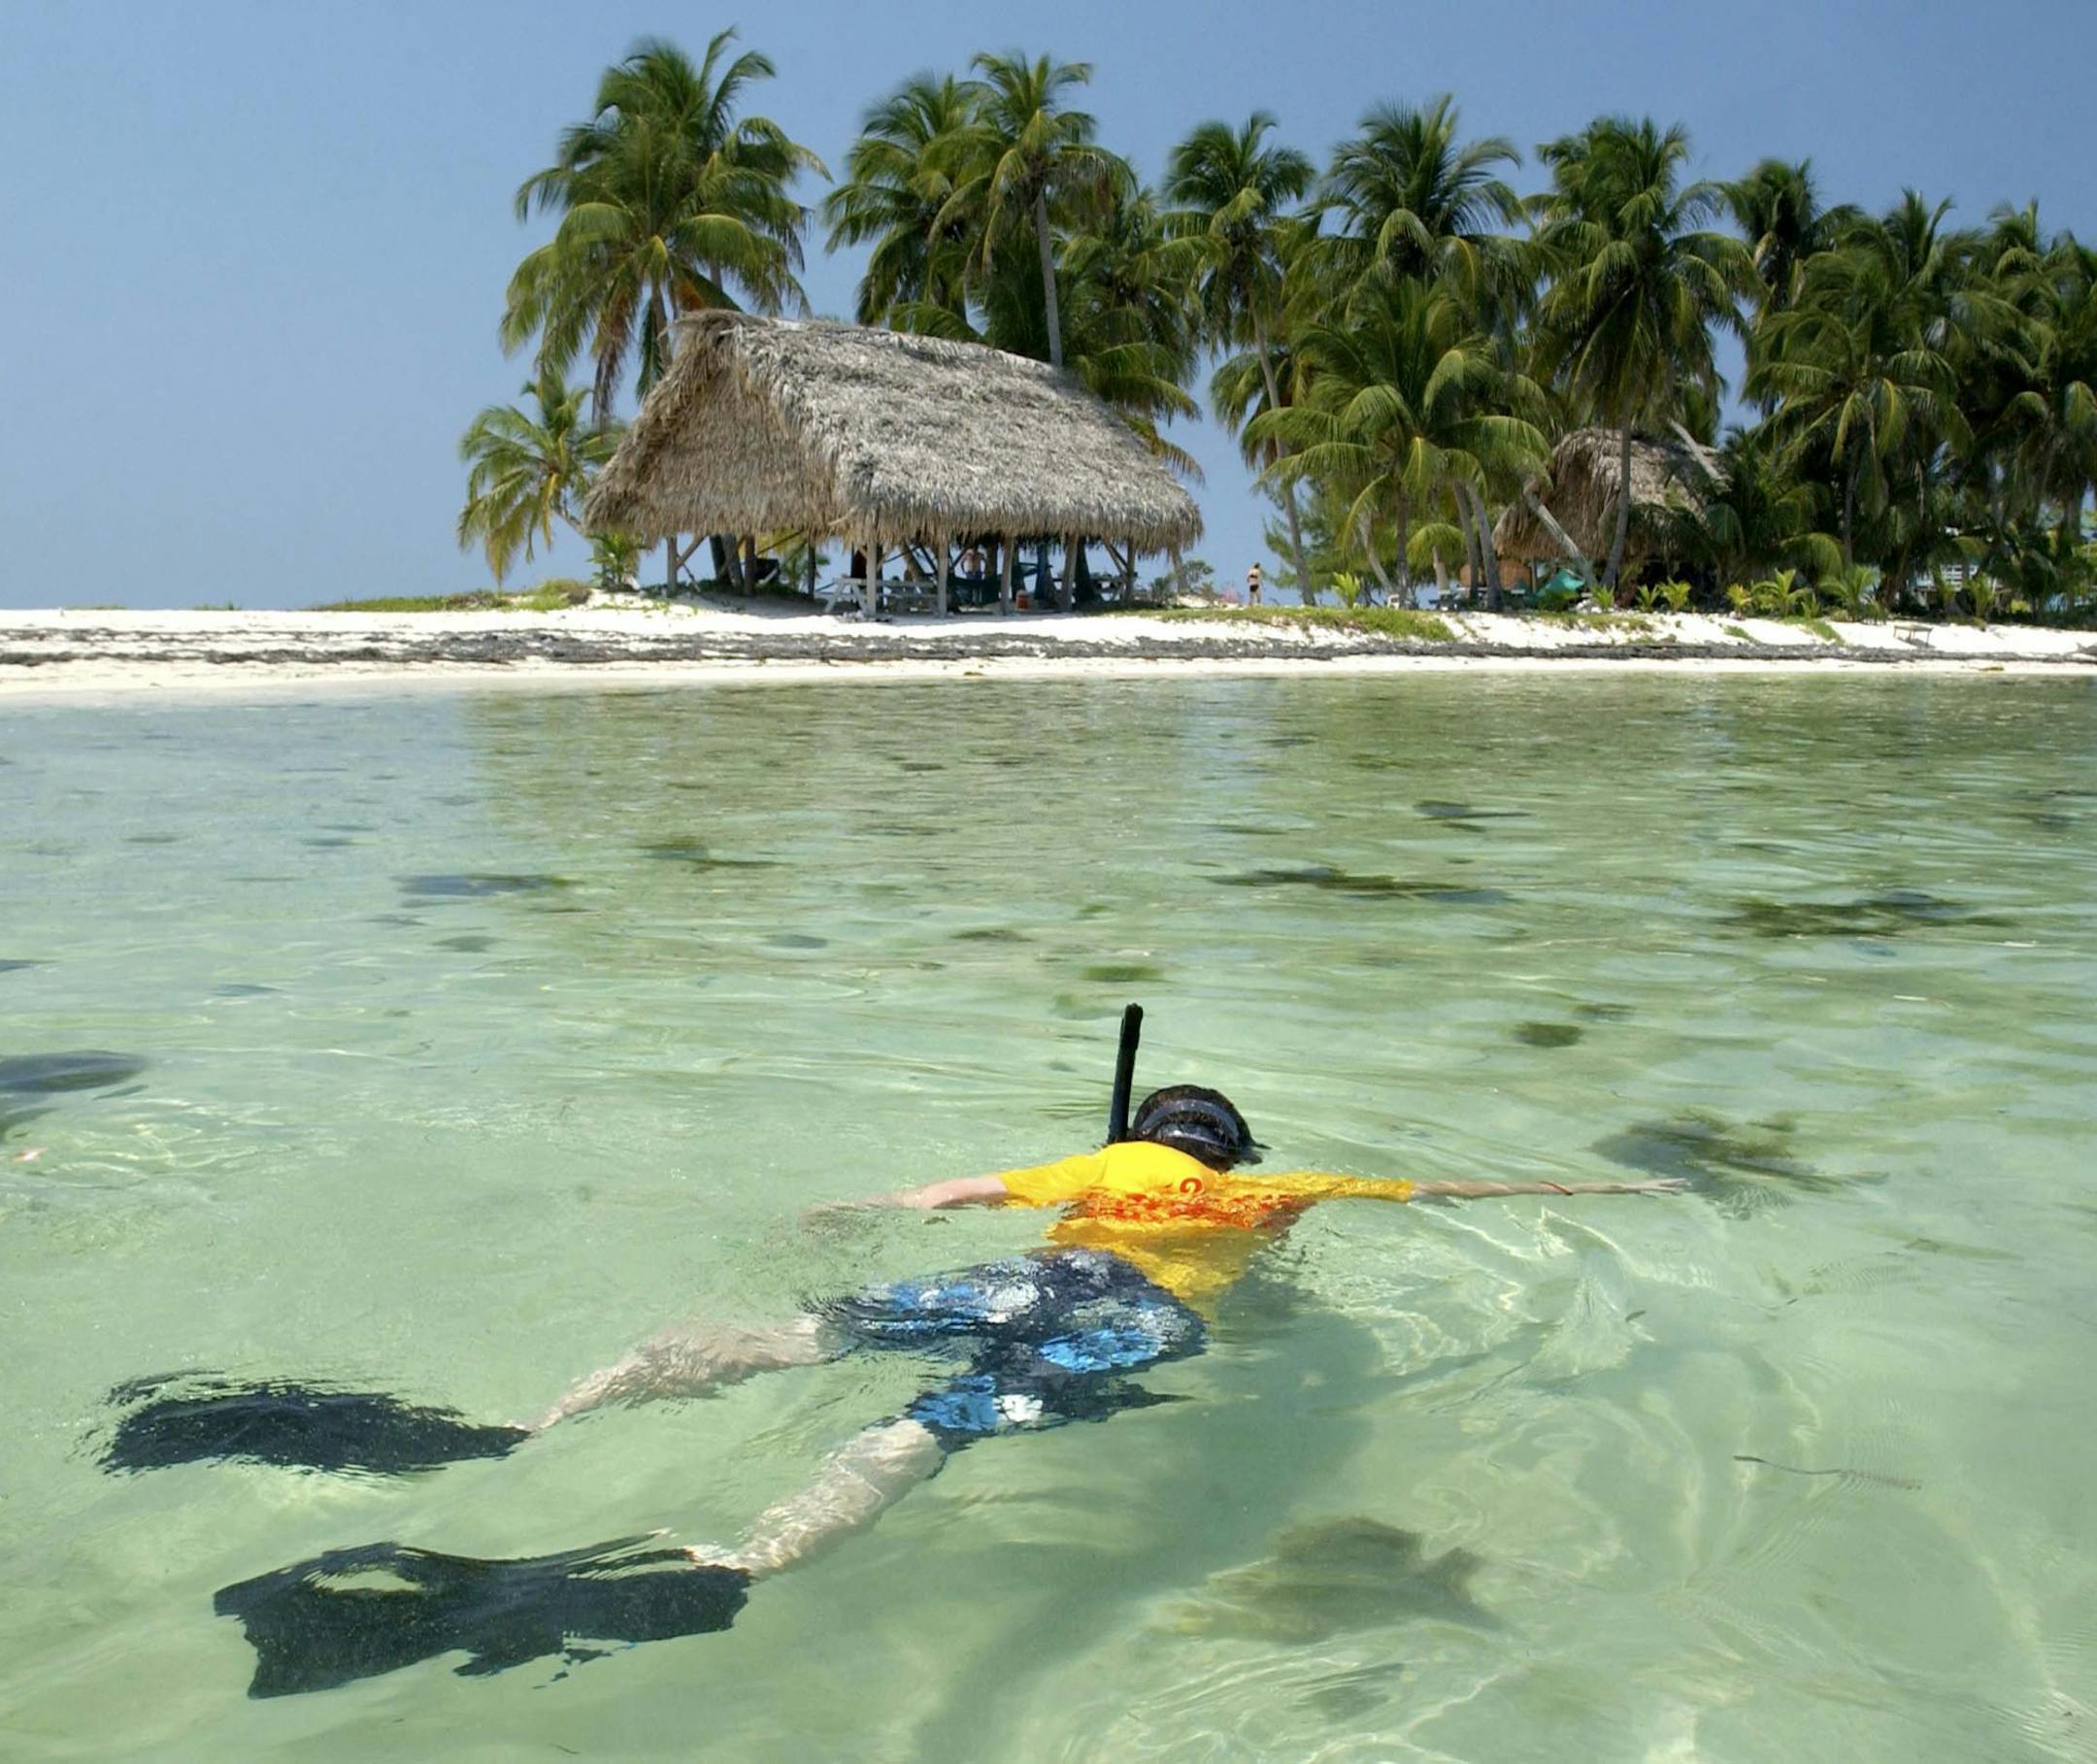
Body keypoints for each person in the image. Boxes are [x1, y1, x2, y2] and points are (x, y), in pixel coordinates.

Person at [535, 1084, 1683, 1581]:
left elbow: (944, 1195)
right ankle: (748, 1560)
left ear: (1146, 1134)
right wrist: (1621, 1191)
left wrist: (845, 1210)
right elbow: (1449, 1190)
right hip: (1145, 1320)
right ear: (1230, 1155)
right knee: (932, 1426)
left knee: (807, 1331)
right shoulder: (1282, 1189)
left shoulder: (1104, 1163)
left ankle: (544, 1416)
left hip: (1030, 1273)